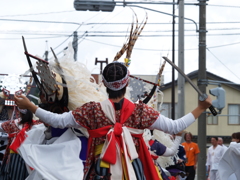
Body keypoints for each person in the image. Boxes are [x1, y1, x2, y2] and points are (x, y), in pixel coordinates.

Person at [14, 62, 212, 180]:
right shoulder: (141, 112)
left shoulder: (91, 110)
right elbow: (176, 126)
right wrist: (201, 108)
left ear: (105, 84)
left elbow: (56, 121)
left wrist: (31, 106)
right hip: (133, 171)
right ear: (126, 83)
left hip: (99, 170)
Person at [0, 108, 41, 180]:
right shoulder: (37, 125)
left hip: (15, 157)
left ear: (19, 113)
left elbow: (1, 126)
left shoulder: (12, 125)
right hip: (31, 158)